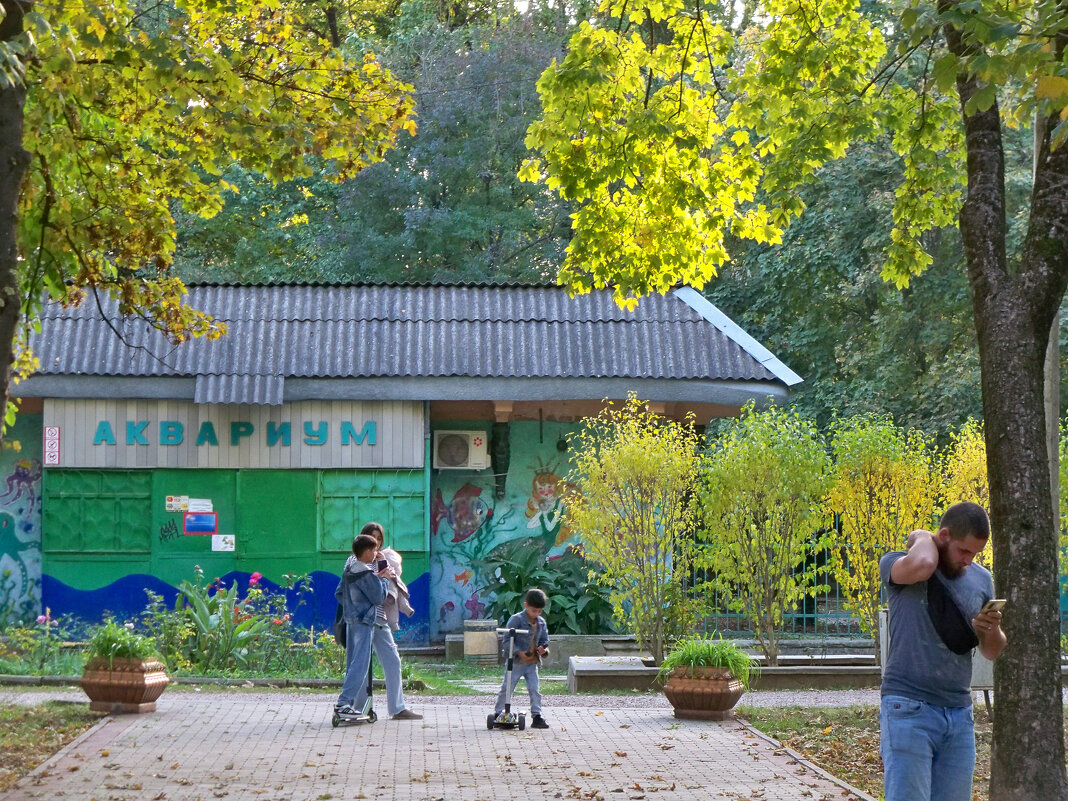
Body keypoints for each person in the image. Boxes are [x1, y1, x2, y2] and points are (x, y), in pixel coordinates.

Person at [879, 501, 1007, 801]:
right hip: (908, 709)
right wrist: (922, 535)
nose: (968, 560)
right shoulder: (898, 563)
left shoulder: (981, 579)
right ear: (944, 536)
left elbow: (992, 651)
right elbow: (924, 565)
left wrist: (992, 629)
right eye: (964, 551)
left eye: (975, 553)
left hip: (959, 714)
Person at [365, 521, 422, 721]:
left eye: (380, 539)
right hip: (362, 620)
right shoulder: (357, 561)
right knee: (360, 665)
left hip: (380, 619)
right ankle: (356, 707)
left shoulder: (383, 560)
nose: (377, 543)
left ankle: (397, 708)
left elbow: (392, 588)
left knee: (393, 660)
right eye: (373, 538)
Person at [334, 533, 388, 718]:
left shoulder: (349, 569)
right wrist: (383, 578)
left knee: (352, 663)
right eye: (374, 550)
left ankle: (347, 705)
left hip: (350, 621)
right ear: (366, 551)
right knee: (360, 665)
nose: (375, 554)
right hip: (364, 622)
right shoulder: (366, 573)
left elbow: (339, 593)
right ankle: (343, 704)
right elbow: (379, 597)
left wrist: (351, 610)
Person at [494, 588, 551, 729]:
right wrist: (518, 652)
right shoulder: (516, 620)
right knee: (507, 688)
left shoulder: (541, 623)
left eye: (539, 611)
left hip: (532, 663)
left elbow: (544, 640)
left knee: (534, 689)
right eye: (533, 611)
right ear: (526, 606)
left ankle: (537, 716)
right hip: (516, 663)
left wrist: (543, 650)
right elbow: (506, 641)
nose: (536, 614)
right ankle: (498, 713)